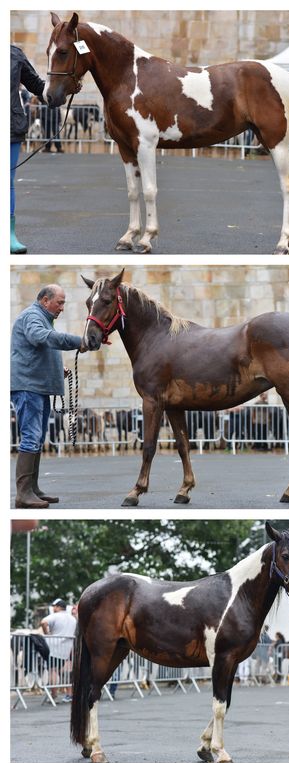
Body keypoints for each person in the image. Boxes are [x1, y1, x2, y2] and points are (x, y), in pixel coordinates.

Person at [11, 284, 86, 508]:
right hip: (28, 387)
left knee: (37, 436)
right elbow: (41, 338)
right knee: (31, 437)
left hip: (37, 386)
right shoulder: (33, 316)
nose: (62, 307)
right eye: (59, 302)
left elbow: (40, 347)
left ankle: (32, 489)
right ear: (45, 300)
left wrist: (57, 370)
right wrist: (78, 341)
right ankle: (23, 494)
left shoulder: (42, 318)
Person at [11, 45, 46, 254]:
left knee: (7, 181)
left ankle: (9, 234)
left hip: (10, 126)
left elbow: (36, 84)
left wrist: (62, 89)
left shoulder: (14, 54)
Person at [41, 598, 76, 701]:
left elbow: (43, 622)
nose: (53, 608)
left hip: (53, 647)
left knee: (53, 670)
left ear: (58, 607)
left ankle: (54, 694)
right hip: (65, 649)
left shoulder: (55, 616)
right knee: (62, 671)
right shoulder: (72, 619)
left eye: (54, 607)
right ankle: (67, 694)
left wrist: (46, 633)